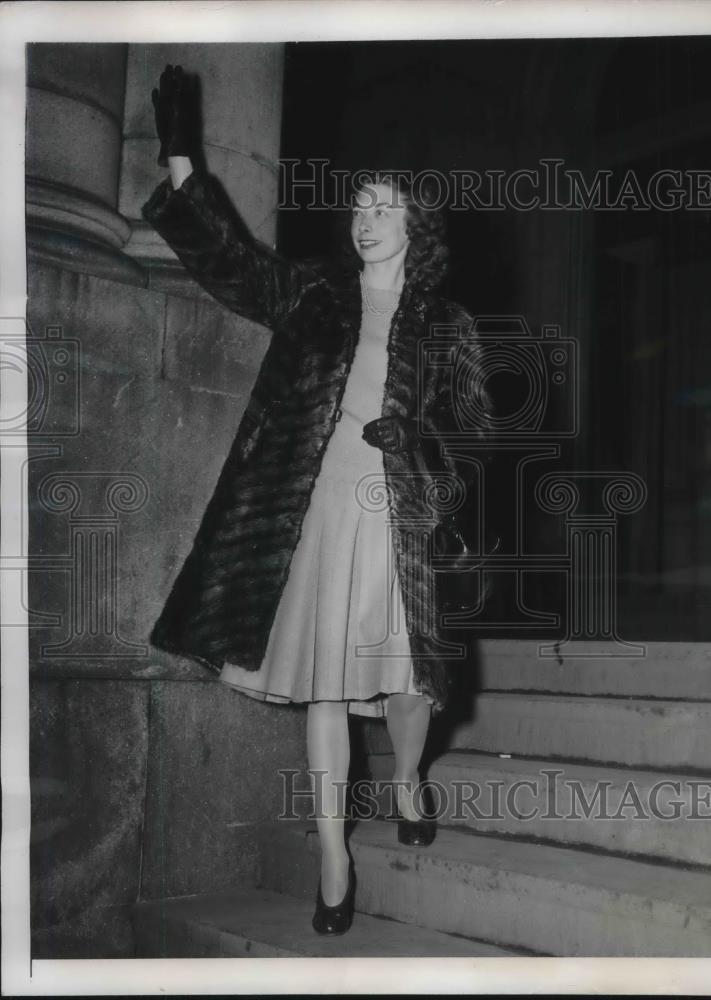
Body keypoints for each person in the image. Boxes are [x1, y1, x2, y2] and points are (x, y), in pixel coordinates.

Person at [144, 65, 494, 936]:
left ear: (417, 225)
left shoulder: (448, 326)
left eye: (386, 207)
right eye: (360, 205)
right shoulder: (312, 295)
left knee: (413, 680)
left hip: (401, 516)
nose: (366, 218)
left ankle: (409, 775)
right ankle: (334, 852)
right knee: (327, 689)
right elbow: (231, 264)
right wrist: (184, 159)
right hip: (314, 504)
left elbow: (479, 431)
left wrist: (423, 450)